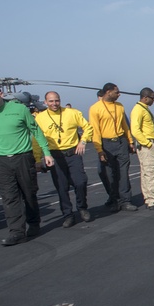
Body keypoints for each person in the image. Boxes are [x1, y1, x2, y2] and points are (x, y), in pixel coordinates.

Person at [0, 84, 55, 245]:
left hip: (23, 157)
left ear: (0, 94)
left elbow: (36, 130)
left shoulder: (20, 109)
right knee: (9, 197)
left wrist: (46, 152)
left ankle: (34, 223)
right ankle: (16, 232)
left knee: (28, 193)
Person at [34, 91, 94, 226]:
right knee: (62, 187)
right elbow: (36, 139)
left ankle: (82, 207)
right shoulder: (40, 118)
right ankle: (68, 214)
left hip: (73, 153)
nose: (54, 104)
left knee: (80, 181)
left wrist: (83, 141)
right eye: (51, 101)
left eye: (56, 101)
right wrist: (38, 159)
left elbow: (88, 127)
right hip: (55, 156)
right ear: (45, 102)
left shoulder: (72, 113)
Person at [89, 83, 137, 212]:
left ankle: (126, 200)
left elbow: (125, 126)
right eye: (117, 92)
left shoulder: (119, 106)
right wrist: (99, 150)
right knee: (110, 174)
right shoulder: (95, 108)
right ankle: (114, 200)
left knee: (123, 173)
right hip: (106, 144)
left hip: (121, 142)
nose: (119, 94)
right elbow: (95, 131)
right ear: (108, 92)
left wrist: (130, 142)